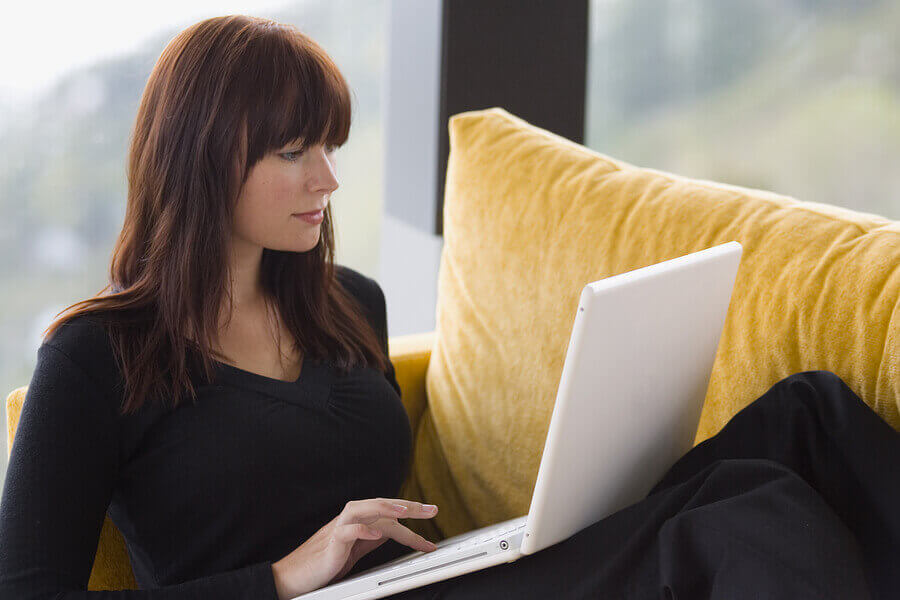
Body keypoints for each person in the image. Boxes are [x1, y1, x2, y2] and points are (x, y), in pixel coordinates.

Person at [0, 13, 897, 600]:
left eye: (331, 145)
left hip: (439, 580)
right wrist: (280, 576)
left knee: (805, 418)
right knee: (749, 519)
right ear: (201, 163)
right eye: (294, 152)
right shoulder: (94, 358)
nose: (328, 179)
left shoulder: (349, 304)